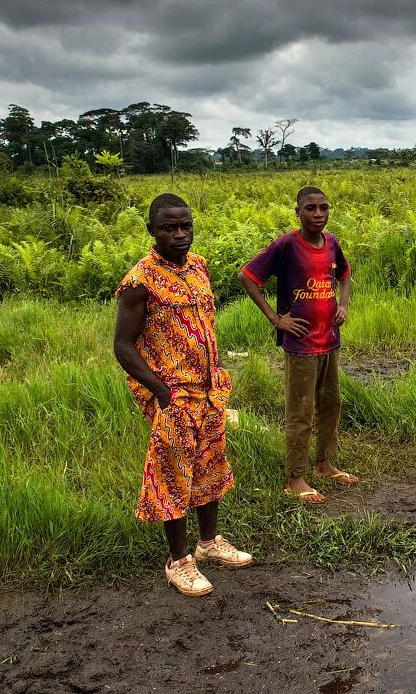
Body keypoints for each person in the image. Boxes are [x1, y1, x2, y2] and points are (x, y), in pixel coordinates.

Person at [113, 193, 253, 597]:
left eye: (185, 226)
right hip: (174, 394)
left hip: (210, 390)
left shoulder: (199, 267)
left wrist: (218, 373)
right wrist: (160, 391)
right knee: (172, 476)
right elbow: (123, 345)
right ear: (152, 231)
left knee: (210, 466)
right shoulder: (140, 281)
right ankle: (178, 562)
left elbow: (205, 326)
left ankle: (208, 544)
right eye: (169, 228)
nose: (180, 234)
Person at [238, 186, 357, 504]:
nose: (318, 214)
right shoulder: (287, 245)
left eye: (323, 207)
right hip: (301, 344)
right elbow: (248, 277)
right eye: (311, 208)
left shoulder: (332, 243)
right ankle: (295, 478)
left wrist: (342, 305)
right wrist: (277, 320)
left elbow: (344, 275)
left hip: (329, 340)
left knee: (331, 404)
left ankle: (324, 463)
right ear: (298, 212)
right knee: (300, 411)